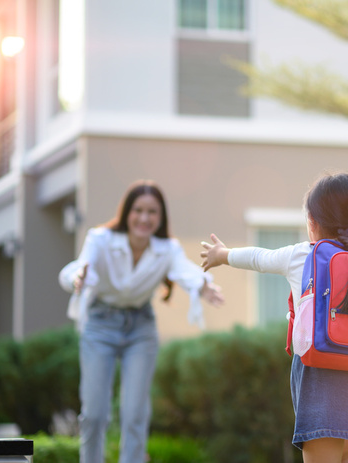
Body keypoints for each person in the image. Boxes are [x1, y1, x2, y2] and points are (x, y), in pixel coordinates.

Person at [200, 172, 348, 463]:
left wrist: (223, 255)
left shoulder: (302, 256)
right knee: (347, 456)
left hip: (322, 379)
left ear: (311, 222)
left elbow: (258, 258)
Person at [59, 180, 224, 463]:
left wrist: (202, 285)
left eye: (152, 212)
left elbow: (185, 271)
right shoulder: (100, 239)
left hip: (140, 328)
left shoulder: (167, 248)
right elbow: (77, 269)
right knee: (96, 413)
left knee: (135, 412)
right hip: (100, 324)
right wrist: (77, 278)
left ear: (160, 218)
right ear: (127, 213)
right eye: (138, 210)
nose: (145, 218)